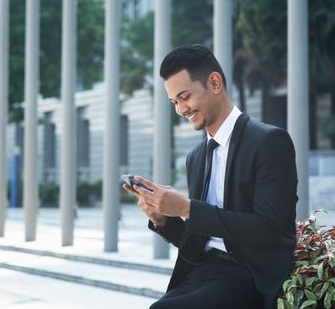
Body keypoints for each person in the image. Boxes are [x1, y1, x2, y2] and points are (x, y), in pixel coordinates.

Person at [123, 44, 298, 309]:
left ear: (214, 82)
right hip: (204, 271)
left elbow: (268, 229)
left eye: (184, 97)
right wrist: (164, 220)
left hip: (252, 275)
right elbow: (197, 242)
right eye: (174, 102)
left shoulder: (269, 142)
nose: (181, 110)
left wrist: (187, 208)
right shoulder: (196, 158)